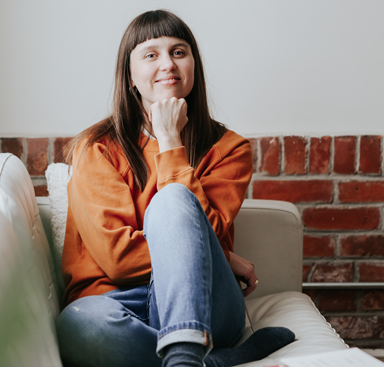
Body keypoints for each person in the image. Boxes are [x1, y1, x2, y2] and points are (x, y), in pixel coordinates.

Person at [57, 9, 295, 367]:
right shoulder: (96, 148)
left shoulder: (229, 148)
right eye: (151, 54)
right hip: (122, 303)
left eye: (179, 52)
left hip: (205, 302)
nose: (168, 63)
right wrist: (221, 256)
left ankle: (186, 355)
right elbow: (119, 260)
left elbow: (209, 232)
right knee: (78, 323)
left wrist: (170, 142)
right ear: (130, 76)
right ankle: (214, 361)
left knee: (173, 199)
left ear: (193, 68)